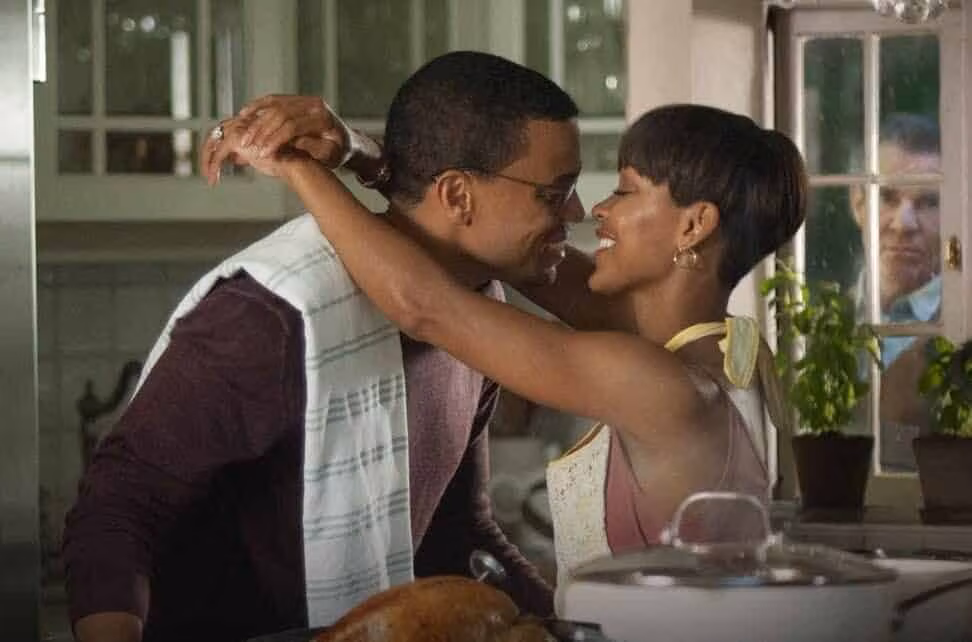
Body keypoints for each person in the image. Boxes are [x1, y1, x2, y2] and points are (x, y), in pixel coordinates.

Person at [62, 51, 582, 642]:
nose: (578, 211)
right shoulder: (274, 314)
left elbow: (457, 532)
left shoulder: (477, 315)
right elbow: (116, 508)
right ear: (458, 196)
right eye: (554, 192)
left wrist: (567, 630)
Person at [207, 101, 807, 592]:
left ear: (694, 225)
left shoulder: (661, 385)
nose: (599, 209)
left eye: (626, 192)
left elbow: (426, 307)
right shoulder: (728, 349)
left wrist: (294, 165)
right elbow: (513, 250)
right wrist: (362, 156)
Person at [849, 113, 941, 464]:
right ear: (857, 204)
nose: (904, 224)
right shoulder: (811, 316)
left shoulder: (961, 326)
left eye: (929, 202)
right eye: (887, 197)